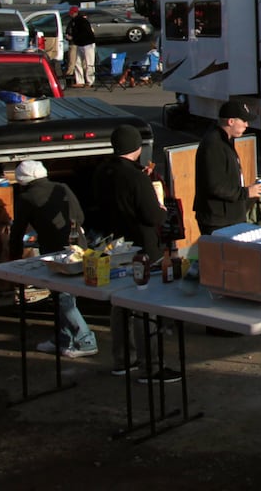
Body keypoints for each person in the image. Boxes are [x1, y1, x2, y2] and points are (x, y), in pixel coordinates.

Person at [93, 125, 170, 380]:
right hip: (143, 248)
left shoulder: (104, 172)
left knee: (120, 304)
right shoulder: (137, 178)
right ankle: (152, 367)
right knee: (145, 308)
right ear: (137, 148)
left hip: (115, 246)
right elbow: (152, 215)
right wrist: (161, 206)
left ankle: (123, 360)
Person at [10, 160, 97, 358]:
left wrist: (13, 258)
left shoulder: (27, 197)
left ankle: (86, 340)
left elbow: (17, 231)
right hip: (79, 249)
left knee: (63, 298)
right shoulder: (62, 187)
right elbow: (80, 217)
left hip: (54, 253)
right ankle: (63, 339)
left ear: (22, 180)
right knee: (64, 295)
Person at [193, 101, 261, 235]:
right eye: (243, 120)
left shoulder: (225, 140)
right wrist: (246, 192)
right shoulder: (214, 145)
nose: (247, 125)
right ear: (231, 121)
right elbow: (215, 186)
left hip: (227, 218)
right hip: (218, 221)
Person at [65, 6, 97, 88]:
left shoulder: (83, 21)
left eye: (72, 14)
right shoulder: (73, 21)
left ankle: (90, 81)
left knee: (89, 63)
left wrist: (73, 37)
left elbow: (86, 33)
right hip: (79, 44)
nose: (71, 15)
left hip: (88, 44)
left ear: (75, 13)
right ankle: (80, 81)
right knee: (77, 62)